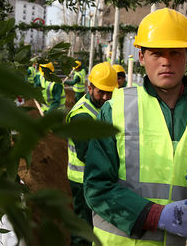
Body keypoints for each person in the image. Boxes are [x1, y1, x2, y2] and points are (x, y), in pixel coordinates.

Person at [83, 8, 187, 245]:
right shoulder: (116, 110)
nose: (166, 62)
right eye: (156, 53)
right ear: (142, 57)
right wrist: (157, 216)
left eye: (175, 52)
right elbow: (96, 187)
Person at [66, 62, 118, 246]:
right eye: (100, 92)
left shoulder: (101, 108)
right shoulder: (82, 116)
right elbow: (87, 154)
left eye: (109, 92)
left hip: (95, 177)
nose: (105, 97)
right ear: (89, 88)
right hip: (83, 180)